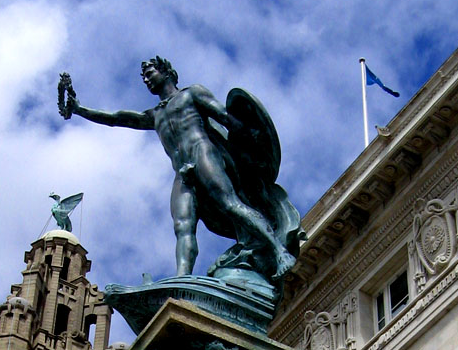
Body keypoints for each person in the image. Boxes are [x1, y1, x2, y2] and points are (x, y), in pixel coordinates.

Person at [58, 57, 298, 280]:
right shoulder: (155, 115)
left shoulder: (192, 94)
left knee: (230, 204)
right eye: (144, 78)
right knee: (183, 226)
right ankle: (182, 281)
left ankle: (278, 251)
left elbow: (225, 117)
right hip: (182, 171)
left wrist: (249, 138)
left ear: (167, 72)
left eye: (150, 74)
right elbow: (116, 118)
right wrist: (80, 109)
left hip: (203, 152)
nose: (146, 80)